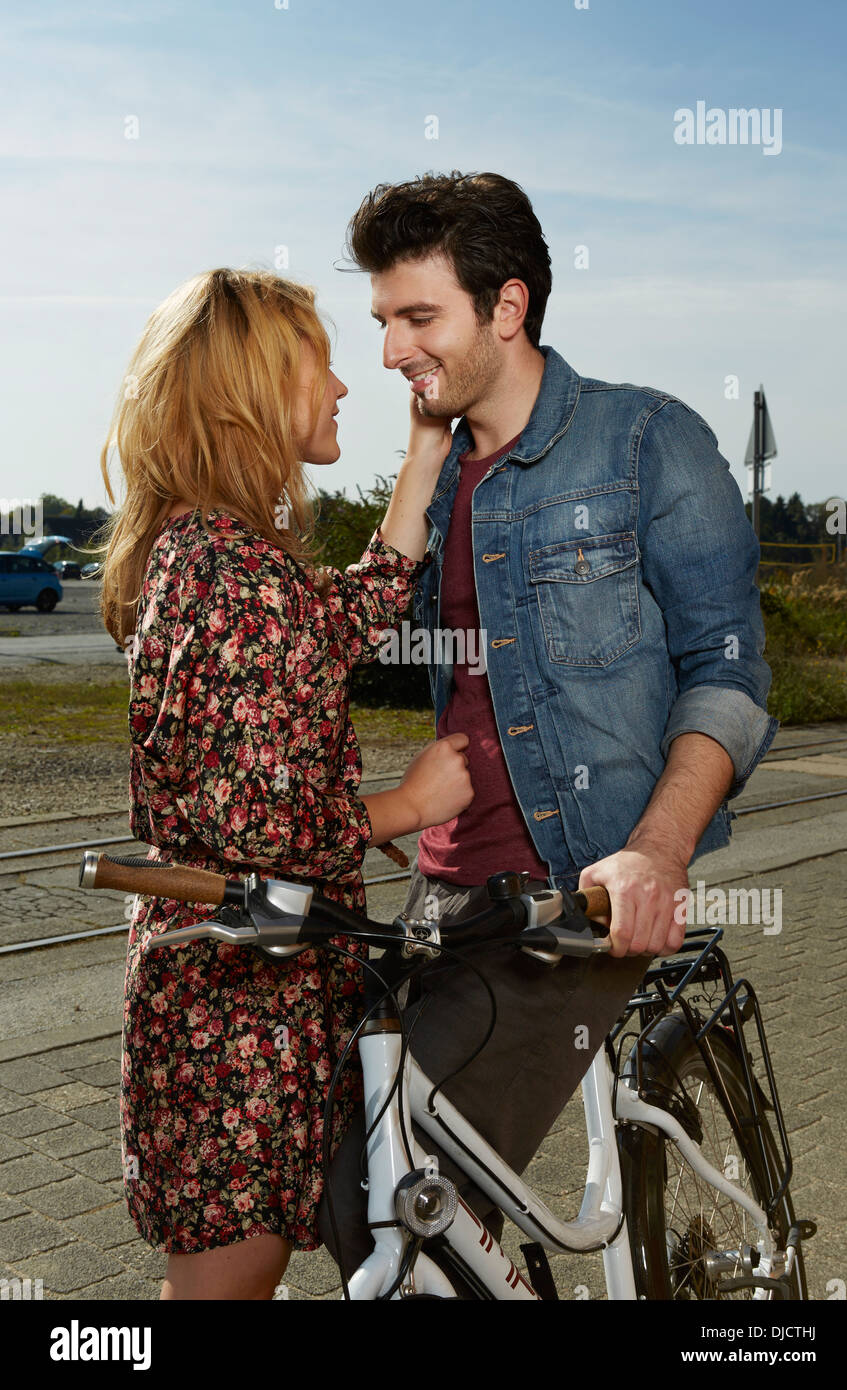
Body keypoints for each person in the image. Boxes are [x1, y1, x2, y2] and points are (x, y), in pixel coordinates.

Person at [316, 171, 779, 1282]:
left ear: (506, 308)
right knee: (354, 1186)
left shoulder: (644, 442)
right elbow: (388, 667)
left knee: (399, 1190)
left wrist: (657, 850)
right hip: (443, 892)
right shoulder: (433, 479)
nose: (388, 351)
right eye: (381, 320)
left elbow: (726, 669)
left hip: (576, 894)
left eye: (415, 317)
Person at [96, 267, 473, 1299]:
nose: (347, 386)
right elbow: (254, 817)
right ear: (252, 390)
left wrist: (425, 452)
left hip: (251, 996)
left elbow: (339, 625)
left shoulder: (221, 551)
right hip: (234, 1023)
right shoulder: (223, 569)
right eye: (322, 364)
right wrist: (406, 805)